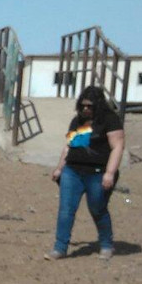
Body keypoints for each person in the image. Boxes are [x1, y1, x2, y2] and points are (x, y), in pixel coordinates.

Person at [45, 85, 124, 260]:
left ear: (98, 105)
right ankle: (60, 247)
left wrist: (110, 173)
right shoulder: (77, 121)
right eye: (83, 105)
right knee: (66, 210)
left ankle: (106, 244)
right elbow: (69, 147)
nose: (86, 109)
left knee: (97, 209)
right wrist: (59, 168)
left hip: (98, 173)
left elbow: (117, 146)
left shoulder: (110, 120)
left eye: (90, 106)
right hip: (73, 171)